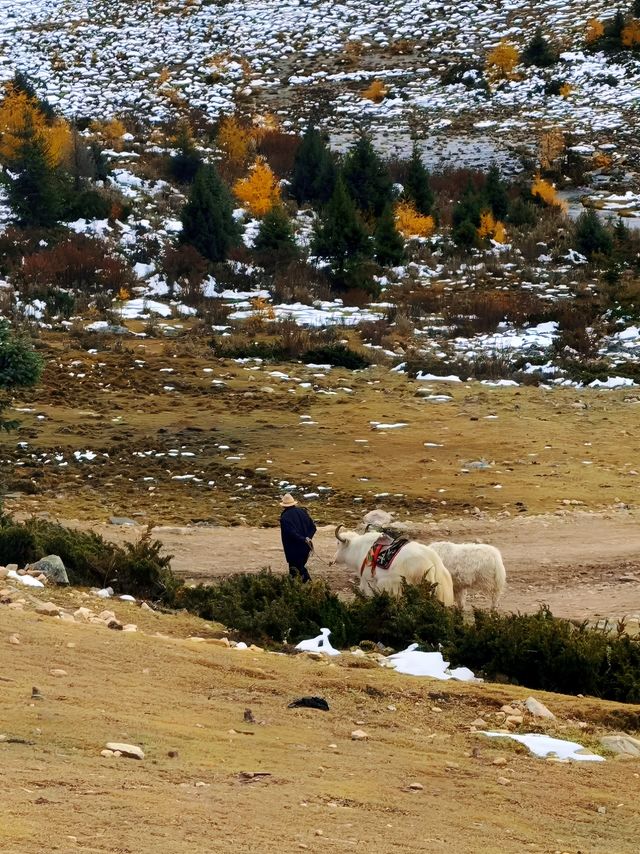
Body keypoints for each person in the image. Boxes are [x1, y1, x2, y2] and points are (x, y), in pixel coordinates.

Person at [279, 493, 316, 583]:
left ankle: (311, 587)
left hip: (293, 549)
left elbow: (291, 533)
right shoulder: (303, 512)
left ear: (284, 506)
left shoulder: (284, 517)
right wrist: (308, 538)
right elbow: (313, 527)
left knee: (297, 569)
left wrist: (303, 539)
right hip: (306, 546)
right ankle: (295, 589)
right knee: (296, 569)